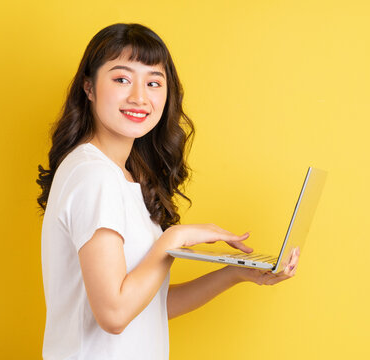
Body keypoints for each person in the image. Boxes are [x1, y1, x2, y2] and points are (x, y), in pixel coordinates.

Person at [36, 22, 299, 360]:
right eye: (121, 79)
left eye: (153, 83)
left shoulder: (122, 176)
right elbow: (114, 315)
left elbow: (149, 306)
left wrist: (235, 273)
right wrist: (174, 239)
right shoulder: (94, 175)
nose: (139, 97)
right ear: (89, 88)